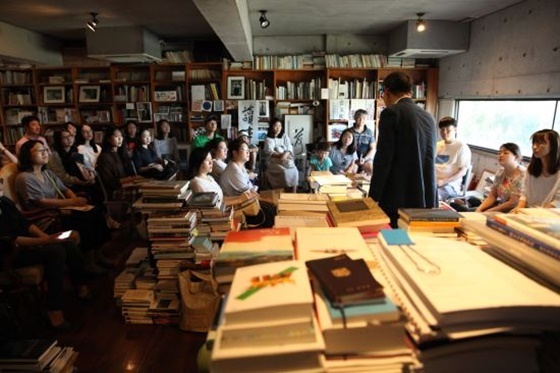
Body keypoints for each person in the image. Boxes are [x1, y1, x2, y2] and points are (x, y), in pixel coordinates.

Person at [0, 194, 92, 330]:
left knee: (68, 244)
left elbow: (25, 223)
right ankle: (53, 310)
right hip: (7, 255)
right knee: (55, 252)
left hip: (25, 245)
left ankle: (81, 287)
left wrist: (46, 237)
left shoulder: (4, 201)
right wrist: (44, 241)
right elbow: (8, 241)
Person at [14, 140, 111, 261]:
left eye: (45, 150)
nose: (45, 153)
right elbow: (42, 202)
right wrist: (73, 203)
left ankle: (98, 254)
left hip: (62, 211)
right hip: (48, 217)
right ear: (27, 155)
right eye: (40, 150)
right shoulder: (24, 178)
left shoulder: (47, 173)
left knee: (96, 212)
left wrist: (75, 201)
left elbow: (65, 190)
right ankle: (88, 260)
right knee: (85, 219)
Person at [368, 71, 437, 227]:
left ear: (386, 91)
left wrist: (373, 197)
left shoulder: (391, 113)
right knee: (413, 240)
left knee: (393, 239)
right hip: (425, 195)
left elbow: (383, 159)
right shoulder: (428, 116)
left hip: (398, 195)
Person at [219, 138, 276, 228]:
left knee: (269, 204)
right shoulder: (234, 170)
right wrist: (271, 200)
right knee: (268, 208)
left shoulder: (239, 166)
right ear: (234, 153)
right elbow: (248, 194)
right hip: (236, 207)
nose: (248, 152)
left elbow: (250, 190)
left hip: (245, 201)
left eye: (248, 150)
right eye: (244, 150)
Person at [514, 129, 560, 210]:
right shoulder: (530, 168)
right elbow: (524, 194)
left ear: (553, 146)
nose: (534, 147)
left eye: (540, 143)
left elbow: (556, 202)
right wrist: (518, 209)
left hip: (548, 215)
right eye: (534, 143)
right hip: (526, 212)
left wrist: (534, 215)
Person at [476, 143, 525, 213]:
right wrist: (479, 208)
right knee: (469, 211)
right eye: (499, 153)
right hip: (500, 208)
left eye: (505, 153)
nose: (501, 155)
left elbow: (513, 203)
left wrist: (488, 211)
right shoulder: (500, 172)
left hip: (514, 212)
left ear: (516, 157)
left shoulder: (522, 175)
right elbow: (492, 196)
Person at [97, 126, 142, 202]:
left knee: (147, 188)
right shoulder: (104, 157)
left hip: (126, 185)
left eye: (121, 136)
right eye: (116, 136)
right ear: (108, 139)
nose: (120, 139)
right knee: (143, 192)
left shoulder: (120, 153)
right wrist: (130, 179)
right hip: (115, 191)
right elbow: (110, 183)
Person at [435, 117, 472, 201]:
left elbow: (462, 171)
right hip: (434, 183)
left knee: (432, 197)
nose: (444, 133)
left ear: (455, 130)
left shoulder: (462, 147)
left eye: (448, 130)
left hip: (450, 186)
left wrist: (443, 181)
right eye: (442, 130)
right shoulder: (437, 145)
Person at [263, 118, 299, 192]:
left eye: (280, 126)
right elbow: (270, 152)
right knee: (284, 172)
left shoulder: (284, 136)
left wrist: (286, 154)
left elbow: (289, 146)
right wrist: (281, 155)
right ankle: (282, 191)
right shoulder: (268, 139)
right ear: (272, 127)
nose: (278, 128)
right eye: (276, 126)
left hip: (285, 158)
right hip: (273, 161)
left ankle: (293, 192)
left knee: (295, 170)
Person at [349, 109, 375, 175]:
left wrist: (365, 159)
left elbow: (373, 148)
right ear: (354, 118)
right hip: (352, 159)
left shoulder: (370, 132)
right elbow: (345, 147)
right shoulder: (349, 131)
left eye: (364, 118)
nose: (361, 120)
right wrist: (354, 159)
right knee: (352, 172)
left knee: (370, 169)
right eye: (359, 118)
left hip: (366, 159)